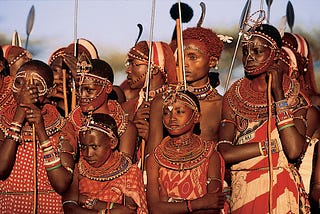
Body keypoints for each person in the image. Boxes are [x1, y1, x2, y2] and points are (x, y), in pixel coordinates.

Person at [217, 23, 313, 213]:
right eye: (245, 52)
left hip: (281, 193)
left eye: (258, 51)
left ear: (275, 55)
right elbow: (224, 152)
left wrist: (278, 95)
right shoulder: (234, 96)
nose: (249, 57)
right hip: (243, 193)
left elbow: (293, 150)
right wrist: (274, 147)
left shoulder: (295, 96)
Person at [0, 60, 77, 213]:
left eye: (36, 84)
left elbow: (62, 183)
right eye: (20, 82)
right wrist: (19, 116)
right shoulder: (2, 122)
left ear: (49, 91)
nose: (26, 90)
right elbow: (1, 169)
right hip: (10, 207)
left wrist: (41, 131)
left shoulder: (62, 126)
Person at [147, 26, 224, 158]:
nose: (185, 63)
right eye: (181, 57)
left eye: (193, 57)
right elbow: (153, 154)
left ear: (212, 61)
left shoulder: (222, 104)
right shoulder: (162, 101)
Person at [146, 89, 226, 213]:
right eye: (166, 113)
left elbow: (213, 205)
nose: (172, 118)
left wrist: (171, 204)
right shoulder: (155, 158)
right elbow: (155, 209)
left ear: (196, 117)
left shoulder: (210, 154)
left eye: (179, 112)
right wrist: (199, 203)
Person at [62, 113, 148, 214]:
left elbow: (127, 211)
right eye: (83, 147)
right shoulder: (78, 168)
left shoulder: (129, 173)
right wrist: (107, 210)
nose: (88, 154)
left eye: (94, 147)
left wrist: (84, 199)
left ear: (112, 142)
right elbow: (69, 208)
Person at [68, 58, 137, 160]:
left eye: (89, 90)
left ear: (108, 88)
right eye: (79, 90)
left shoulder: (125, 128)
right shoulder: (70, 124)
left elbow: (124, 171)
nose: (82, 96)